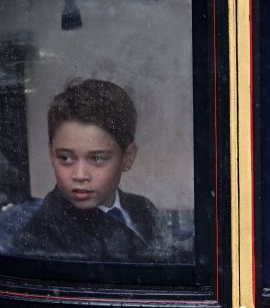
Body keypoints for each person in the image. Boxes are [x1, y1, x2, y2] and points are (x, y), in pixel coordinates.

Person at [13, 79, 167, 262]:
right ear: (51, 153)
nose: (79, 175)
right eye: (66, 158)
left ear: (127, 157)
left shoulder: (142, 208)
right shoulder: (41, 236)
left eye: (97, 158)